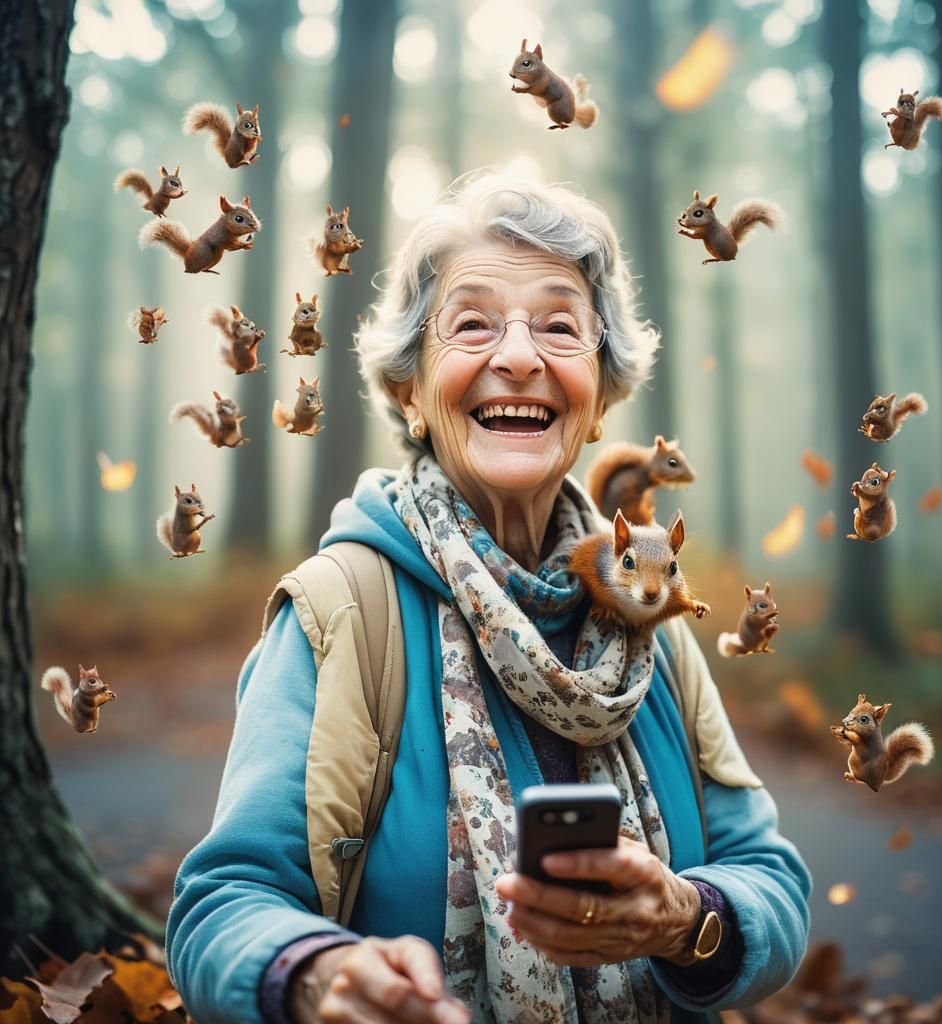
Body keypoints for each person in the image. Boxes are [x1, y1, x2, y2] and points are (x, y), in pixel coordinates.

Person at [165, 172, 811, 1024]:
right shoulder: (342, 611)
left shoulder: (646, 616)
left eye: (558, 326)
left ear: (599, 397)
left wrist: (687, 918)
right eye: (473, 324)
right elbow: (221, 904)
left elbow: (770, 880)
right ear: (411, 389)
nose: (517, 355)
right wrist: (320, 976)